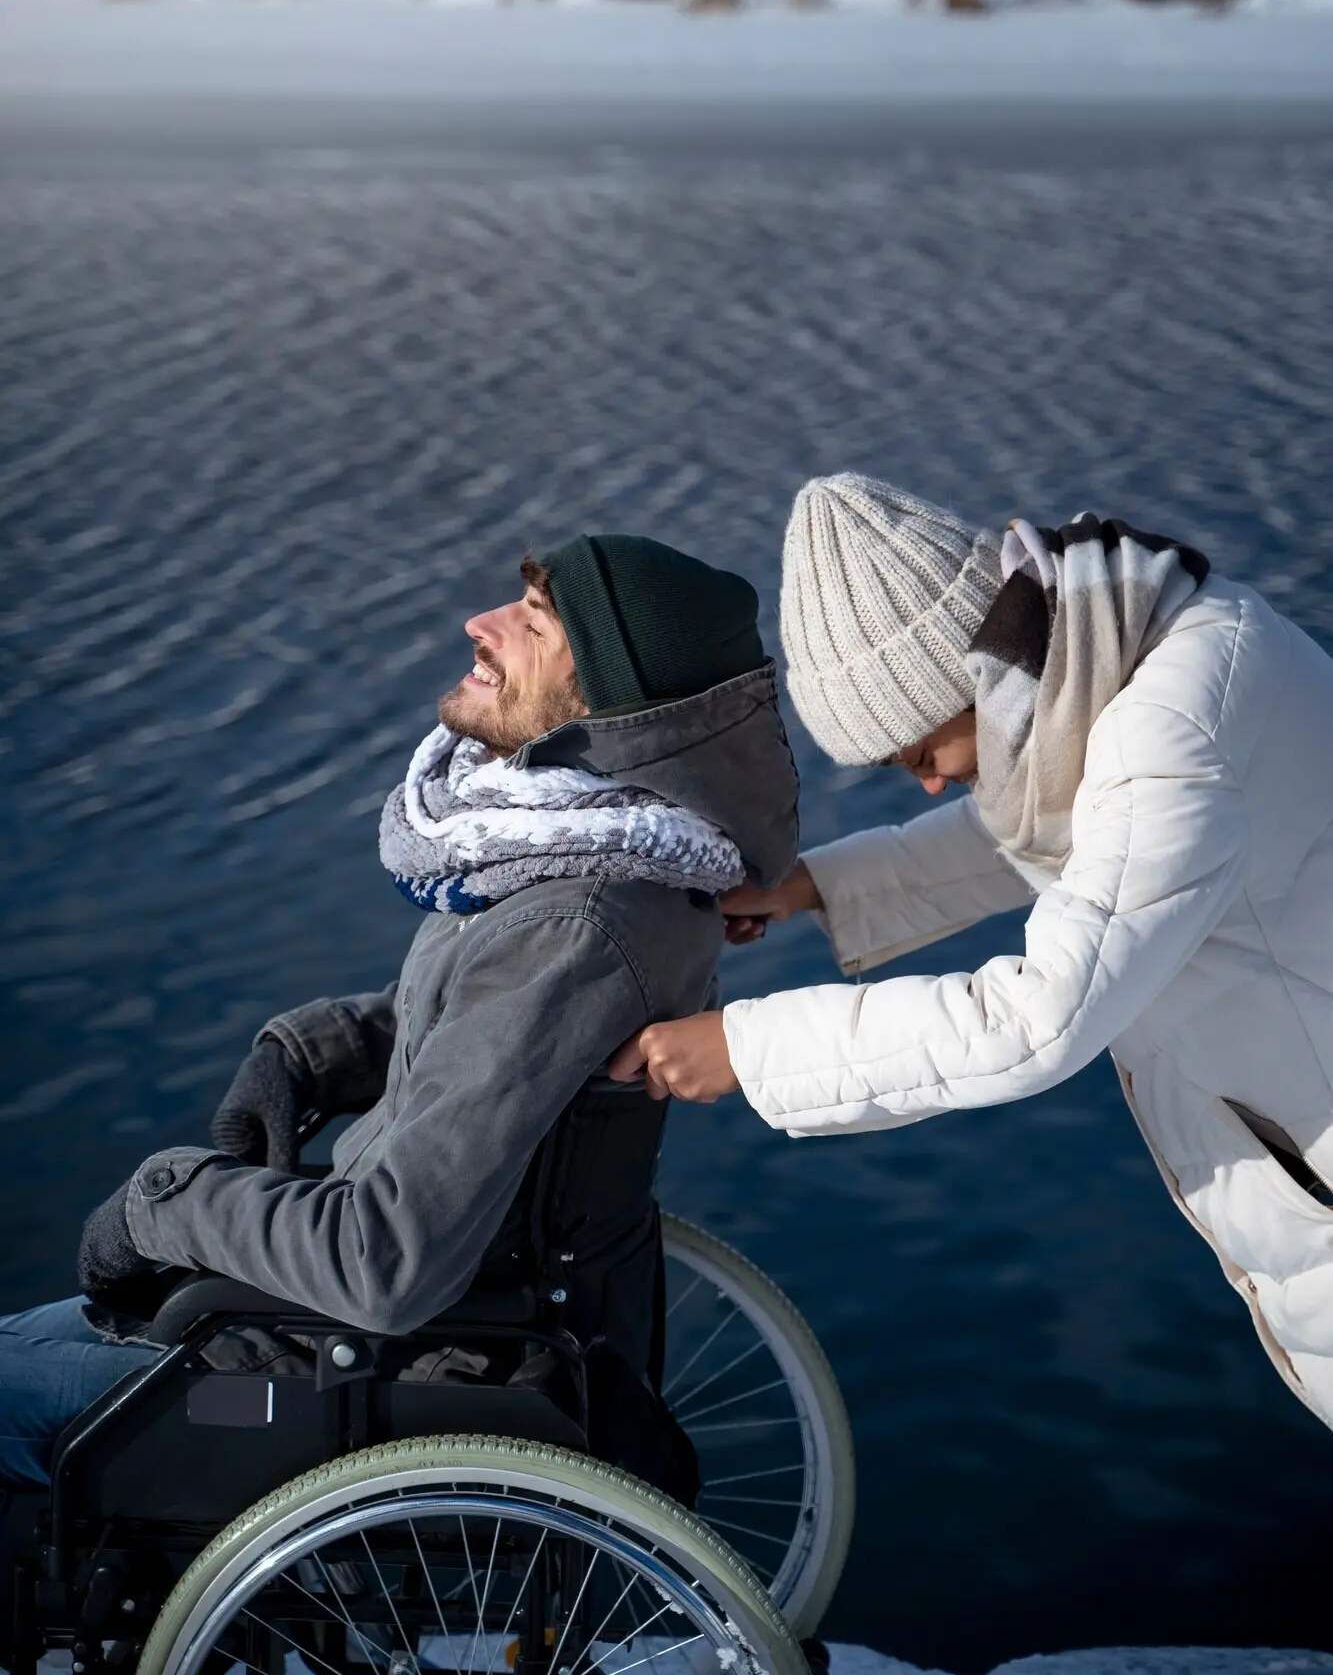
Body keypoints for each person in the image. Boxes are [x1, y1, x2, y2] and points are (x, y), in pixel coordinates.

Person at [0, 535, 798, 1489]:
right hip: (390, 1320)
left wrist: (161, 1201)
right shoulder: (593, 856)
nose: (481, 624)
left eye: (533, 622)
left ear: (613, 710)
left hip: (385, 1364)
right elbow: (495, 1033)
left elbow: (386, 1264)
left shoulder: (577, 919)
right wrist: (309, 1053)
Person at [612, 473, 1333, 1431]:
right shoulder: (1128, 637)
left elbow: (1038, 1022)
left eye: (917, 756)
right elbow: (1078, 825)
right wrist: (819, 886)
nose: (923, 789)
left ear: (968, 678)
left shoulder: (1171, 731)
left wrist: (747, 1050)